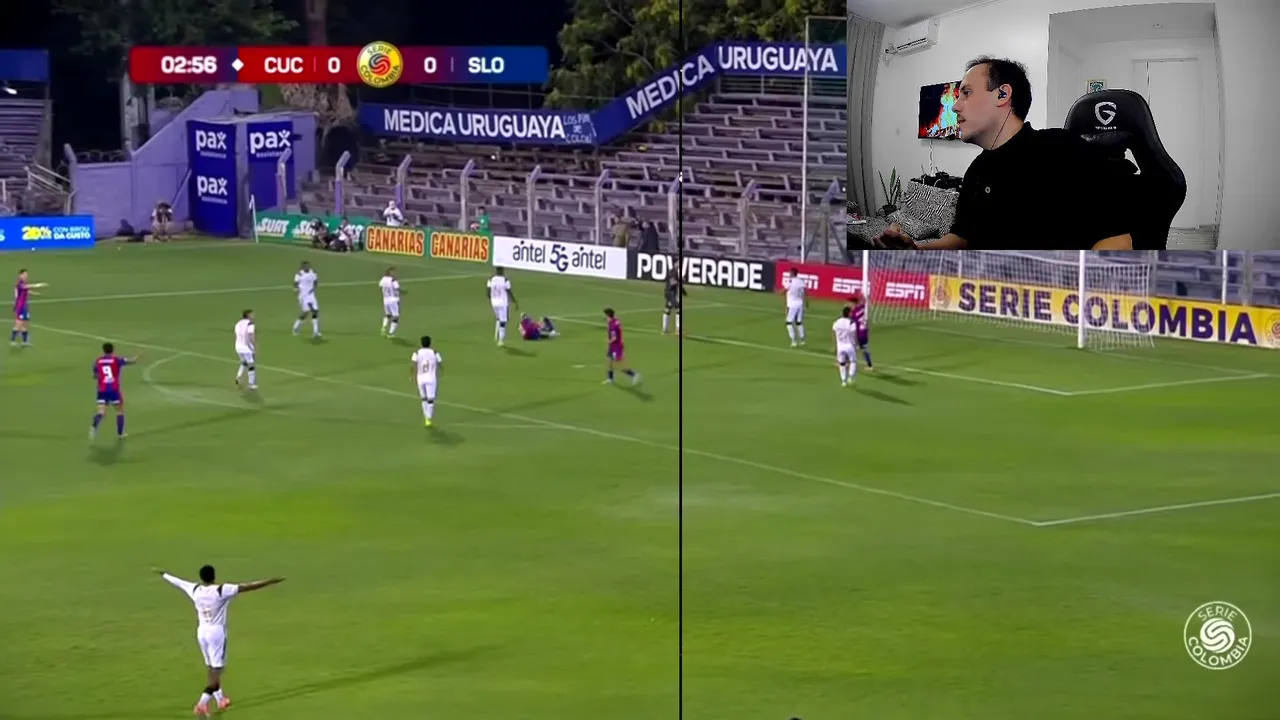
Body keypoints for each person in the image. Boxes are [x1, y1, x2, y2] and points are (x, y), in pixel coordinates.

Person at [875, 56, 1136, 251]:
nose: (955, 107)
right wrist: (917, 250)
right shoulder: (976, 171)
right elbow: (963, 237)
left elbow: (1117, 239)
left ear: (1003, 94)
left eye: (966, 93)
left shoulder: (1061, 148)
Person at [151, 565, 285, 717]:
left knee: (211, 667)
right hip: (216, 633)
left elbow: (178, 581)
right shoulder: (221, 590)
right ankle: (202, 703)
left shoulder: (194, 589)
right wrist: (271, 581)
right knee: (217, 671)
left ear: (201, 577)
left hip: (202, 632)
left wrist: (163, 574)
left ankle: (221, 700)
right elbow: (248, 587)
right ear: (214, 576)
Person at [91, 342, 137, 440]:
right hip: (114, 390)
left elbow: (95, 373)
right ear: (113, 350)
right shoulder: (116, 360)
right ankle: (120, 434)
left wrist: (98, 376)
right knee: (119, 411)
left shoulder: (98, 360)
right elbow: (130, 361)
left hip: (102, 390)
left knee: (101, 412)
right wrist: (135, 359)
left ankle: (94, 426)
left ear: (103, 350)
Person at [410, 335, 442, 427]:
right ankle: (428, 418)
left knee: (423, 398)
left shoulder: (417, 353)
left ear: (421, 343)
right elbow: (440, 362)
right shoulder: (434, 352)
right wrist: (440, 370)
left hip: (420, 378)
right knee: (430, 400)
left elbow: (413, 364)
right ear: (430, 343)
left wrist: (412, 375)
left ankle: (426, 417)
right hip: (431, 378)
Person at [603, 308, 640, 386]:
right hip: (613, 346)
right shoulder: (615, 321)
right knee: (609, 362)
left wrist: (608, 341)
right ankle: (610, 379)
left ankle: (634, 375)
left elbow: (614, 338)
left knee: (619, 366)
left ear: (608, 315)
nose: (604, 317)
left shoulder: (612, 325)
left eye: (605, 315)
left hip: (616, 347)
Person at [487, 267, 517, 346]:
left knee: (498, 318)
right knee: (503, 321)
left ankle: (495, 336)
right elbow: (509, 291)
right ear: (502, 271)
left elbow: (488, 292)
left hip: (494, 302)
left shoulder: (491, 279)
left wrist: (491, 299)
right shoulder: (505, 280)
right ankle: (500, 340)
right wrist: (514, 301)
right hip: (502, 303)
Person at [832, 306, 859, 388]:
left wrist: (835, 346)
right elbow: (854, 335)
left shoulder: (836, 322)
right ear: (849, 313)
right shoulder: (851, 323)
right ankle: (850, 377)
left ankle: (843, 381)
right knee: (853, 361)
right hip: (849, 345)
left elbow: (834, 334)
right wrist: (856, 344)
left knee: (842, 364)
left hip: (840, 346)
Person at [846, 292, 874, 371]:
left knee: (851, 347)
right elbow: (868, 305)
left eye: (850, 303)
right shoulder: (863, 308)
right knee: (864, 349)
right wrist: (866, 298)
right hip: (865, 333)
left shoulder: (854, 313)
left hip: (858, 334)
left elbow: (851, 324)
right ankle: (870, 366)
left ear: (853, 303)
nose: (849, 305)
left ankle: (846, 363)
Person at [292, 261, 320, 338]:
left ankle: (316, 331)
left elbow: (316, 281)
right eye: (305, 266)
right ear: (303, 267)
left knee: (315, 311)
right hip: (303, 295)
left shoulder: (313, 272)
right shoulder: (299, 274)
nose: (307, 267)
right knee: (306, 312)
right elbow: (295, 283)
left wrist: (314, 288)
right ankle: (296, 326)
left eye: (308, 266)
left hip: (311, 295)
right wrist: (296, 289)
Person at [783, 267, 809, 347]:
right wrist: (806, 302)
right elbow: (805, 291)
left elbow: (785, 290)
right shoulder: (800, 281)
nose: (789, 274)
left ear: (792, 273)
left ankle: (793, 341)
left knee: (788, 322)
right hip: (800, 304)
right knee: (799, 322)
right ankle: (803, 340)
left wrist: (777, 292)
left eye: (790, 272)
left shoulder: (790, 281)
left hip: (792, 305)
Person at [233, 310, 257, 391]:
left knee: (244, 362)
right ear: (248, 315)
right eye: (252, 314)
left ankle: (238, 377)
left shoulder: (238, 324)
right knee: (251, 364)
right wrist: (254, 345)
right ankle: (251, 384)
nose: (253, 315)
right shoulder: (250, 324)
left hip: (238, 346)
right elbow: (251, 335)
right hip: (247, 347)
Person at [662, 266, 685, 335]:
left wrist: (683, 291)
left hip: (669, 293)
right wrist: (680, 280)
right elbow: (673, 283)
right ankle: (678, 329)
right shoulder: (673, 272)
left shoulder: (674, 272)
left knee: (667, 309)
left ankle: (665, 329)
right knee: (678, 307)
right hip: (670, 294)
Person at [379, 268, 401, 338]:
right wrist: (403, 292)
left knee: (388, 315)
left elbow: (380, 286)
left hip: (385, 299)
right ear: (390, 273)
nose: (395, 274)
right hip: (393, 299)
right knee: (396, 317)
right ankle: (391, 333)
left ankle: (384, 327)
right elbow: (397, 288)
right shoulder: (393, 280)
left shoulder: (383, 279)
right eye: (394, 272)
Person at [11, 269, 32, 346]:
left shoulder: (24, 283)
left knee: (24, 324)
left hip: (24, 306)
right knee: (18, 323)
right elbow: (23, 287)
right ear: (20, 275)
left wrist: (33, 293)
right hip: (20, 306)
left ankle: (25, 341)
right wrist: (37, 285)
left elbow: (26, 290)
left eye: (26, 274)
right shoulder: (19, 283)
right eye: (24, 274)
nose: (26, 275)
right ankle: (12, 341)